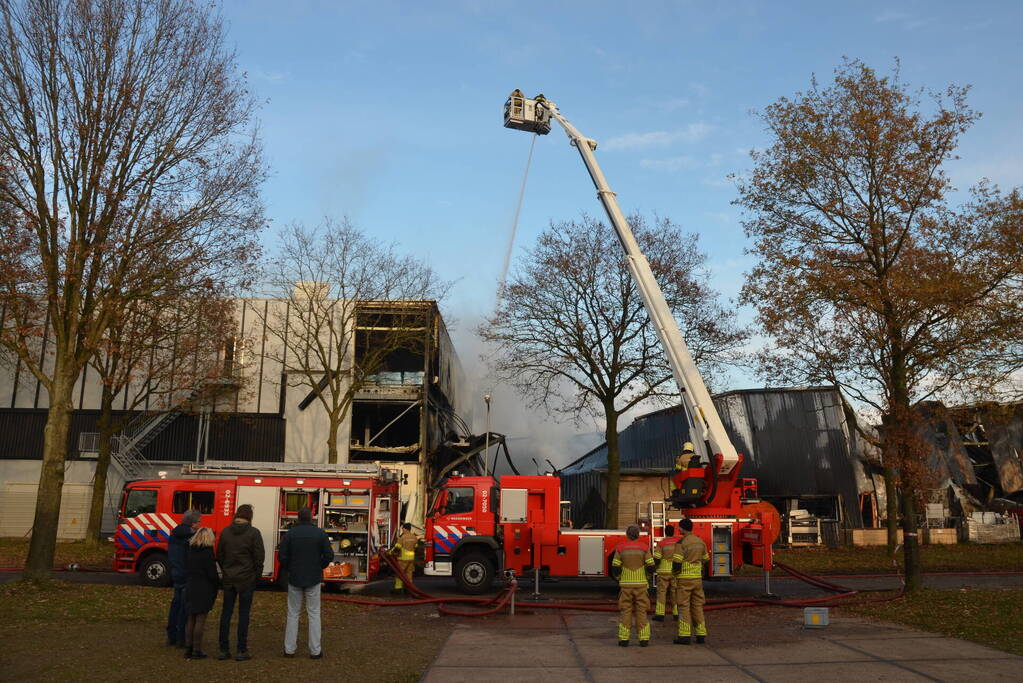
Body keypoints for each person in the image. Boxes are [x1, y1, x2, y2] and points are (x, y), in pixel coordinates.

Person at [279, 506, 333, 659]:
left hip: (295, 578)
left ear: (298, 518)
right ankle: (315, 651)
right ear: (311, 518)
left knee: (293, 613)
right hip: (314, 578)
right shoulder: (320, 533)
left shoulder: (290, 534)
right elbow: (329, 555)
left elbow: (282, 556)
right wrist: (319, 566)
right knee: (314, 614)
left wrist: (290, 567)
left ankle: (289, 650)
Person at [217, 503, 265, 661]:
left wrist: (225, 570)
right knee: (244, 615)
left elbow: (220, 555)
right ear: (249, 516)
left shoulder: (225, 532)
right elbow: (259, 558)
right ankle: (241, 649)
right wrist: (256, 576)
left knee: (226, 613)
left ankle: (223, 649)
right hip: (246, 579)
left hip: (229, 578)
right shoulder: (254, 533)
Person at [610, 524, 654, 647]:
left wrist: (620, 579)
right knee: (642, 611)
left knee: (626, 611)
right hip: (641, 584)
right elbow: (651, 566)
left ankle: (624, 639)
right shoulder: (644, 548)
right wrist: (647, 578)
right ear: (638, 535)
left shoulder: (620, 548)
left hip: (626, 584)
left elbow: (615, 567)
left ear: (627, 535)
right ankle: (644, 639)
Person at [672, 518, 709, 645]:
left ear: (683, 528)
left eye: (680, 527)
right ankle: (701, 634)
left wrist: (675, 575)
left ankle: (684, 635)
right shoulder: (700, 542)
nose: (679, 529)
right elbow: (705, 559)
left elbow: (676, 564)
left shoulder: (681, 543)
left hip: (684, 579)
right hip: (697, 579)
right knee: (697, 606)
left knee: (684, 607)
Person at [184, 527, 220, 659]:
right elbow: (212, 574)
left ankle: (188, 647)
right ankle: (197, 649)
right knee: (200, 619)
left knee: (191, 618)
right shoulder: (207, 552)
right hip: (204, 587)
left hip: (191, 585)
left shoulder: (191, 550)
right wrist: (217, 583)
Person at [166, 509, 200, 647]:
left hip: (176, 572)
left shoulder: (174, 535)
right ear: (192, 523)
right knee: (184, 607)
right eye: (198, 522)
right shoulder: (191, 537)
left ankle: (171, 635)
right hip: (187, 574)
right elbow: (193, 558)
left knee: (175, 604)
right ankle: (181, 638)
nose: (199, 525)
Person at [651, 524, 680, 622]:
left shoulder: (661, 543)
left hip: (663, 572)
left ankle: (660, 615)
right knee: (674, 593)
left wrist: (654, 567)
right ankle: (676, 614)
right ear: (673, 532)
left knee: (661, 593)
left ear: (665, 532)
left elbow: (657, 558)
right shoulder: (678, 543)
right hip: (675, 572)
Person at [389, 522, 419, 594]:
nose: (402, 530)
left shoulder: (402, 537)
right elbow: (416, 547)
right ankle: (409, 589)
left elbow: (397, 547)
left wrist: (390, 552)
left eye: (403, 528)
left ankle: (398, 589)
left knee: (399, 574)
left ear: (405, 529)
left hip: (403, 559)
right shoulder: (414, 537)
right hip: (411, 559)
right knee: (409, 574)